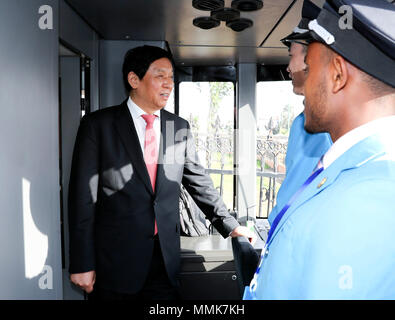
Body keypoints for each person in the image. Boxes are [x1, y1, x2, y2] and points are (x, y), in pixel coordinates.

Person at [68, 45, 255, 300]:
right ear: (134, 79)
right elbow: (82, 200)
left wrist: (231, 226)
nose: (169, 84)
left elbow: (198, 182)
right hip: (114, 264)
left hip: (164, 261)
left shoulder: (178, 127)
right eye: (160, 76)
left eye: (171, 77)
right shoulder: (98, 126)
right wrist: (81, 262)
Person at [244, 0, 395, 299]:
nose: (299, 77)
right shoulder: (351, 168)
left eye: (309, 68)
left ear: (337, 75)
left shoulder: (369, 197)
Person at [268, 0, 332, 226]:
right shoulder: (309, 120)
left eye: (290, 56)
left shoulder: (312, 124)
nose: (288, 68)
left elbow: (293, 196)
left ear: (310, 60)